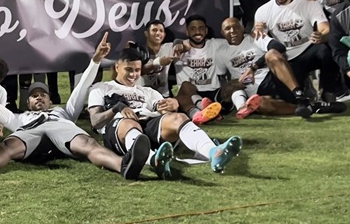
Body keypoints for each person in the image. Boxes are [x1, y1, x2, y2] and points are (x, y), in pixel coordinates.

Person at [0, 34, 161, 181]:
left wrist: (96, 60)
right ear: (27, 103)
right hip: (31, 131)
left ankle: (123, 165)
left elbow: (81, 88)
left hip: (62, 128)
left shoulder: (64, 112)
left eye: (42, 95)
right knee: (6, 147)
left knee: (89, 145)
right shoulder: (19, 118)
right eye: (34, 96)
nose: (38, 98)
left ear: (50, 100)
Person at [87, 46, 242, 177]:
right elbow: (95, 121)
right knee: (129, 123)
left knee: (179, 117)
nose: (133, 75)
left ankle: (214, 152)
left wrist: (169, 106)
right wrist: (116, 108)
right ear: (117, 67)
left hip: (146, 124)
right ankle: (153, 160)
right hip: (120, 132)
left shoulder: (147, 91)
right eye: (129, 70)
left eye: (137, 70)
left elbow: (160, 107)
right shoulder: (102, 88)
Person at [253, 0, 346, 112]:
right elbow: (260, 38)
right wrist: (269, 42)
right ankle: (302, 98)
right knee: (271, 55)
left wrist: (322, 35)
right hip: (288, 59)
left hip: (310, 50)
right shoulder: (263, 11)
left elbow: (324, 27)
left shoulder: (308, 3)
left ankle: (330, 93)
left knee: (326, 49)